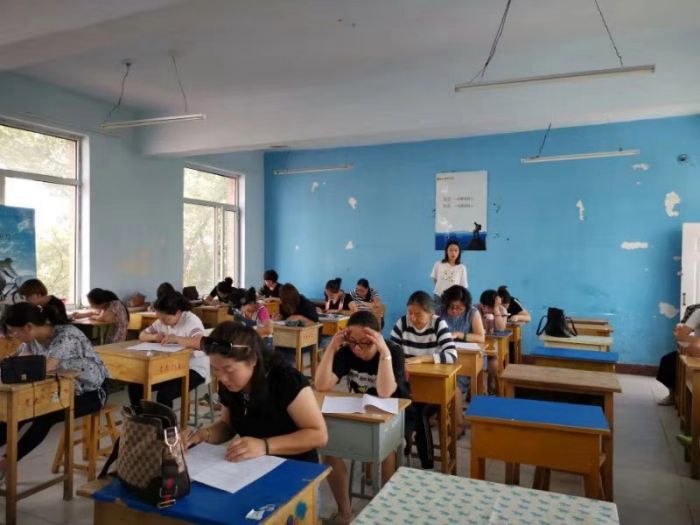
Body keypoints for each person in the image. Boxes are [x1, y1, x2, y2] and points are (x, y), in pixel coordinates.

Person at [316, 310, 409, 524]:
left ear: (376, 337)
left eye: (365, 343)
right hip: (359, 414)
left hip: (393, 417)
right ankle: (345, 513)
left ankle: (385, 513)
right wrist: (332, 347)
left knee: (386, 452)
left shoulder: (393, 351)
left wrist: (383, 351)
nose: (357, 348)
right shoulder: (347, 352)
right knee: (329, 450)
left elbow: (385, 392)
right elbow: (321, 385)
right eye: (353, 342)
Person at [187, 323, 327, 465]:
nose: (222, 378)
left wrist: (265, 446)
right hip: (255, 466)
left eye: (229, 369)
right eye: (215, 369)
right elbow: (227, 425)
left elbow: (319, 435)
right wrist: (203, 435)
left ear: (252, 360)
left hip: (296, 466)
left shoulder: (286, 380)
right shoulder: (230, 384)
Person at [0, 303, 108, 482]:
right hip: (59, 390)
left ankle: (7, 462)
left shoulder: (67, 336)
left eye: (14, 331)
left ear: (28, 327)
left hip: (92, 392)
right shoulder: (31, 340)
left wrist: (15, 368)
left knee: (45, 416)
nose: (13, 336)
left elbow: (46, 367)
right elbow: (15, 363)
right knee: (14, 412)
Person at [390, 291, 456, 469]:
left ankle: (427, 464)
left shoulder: (438, 324)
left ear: (430, 313)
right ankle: (399, 451)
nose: (412, 318)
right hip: (406, 386)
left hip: (431, 389)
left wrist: (421, 359)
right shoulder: (403, 322)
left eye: (418, 314)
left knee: (419, 413)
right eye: (410, 313)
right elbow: (391, 350)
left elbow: (452, 355)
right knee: (400, 410)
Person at [129, 292, 208, 409]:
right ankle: (141, 417)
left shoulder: (191, 321)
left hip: (193, 368)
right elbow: (142, 335)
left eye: (166, 318)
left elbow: (200, 342)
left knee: (165, 395)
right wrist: (154, 336)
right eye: (160, 318)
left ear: (178, 313)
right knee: (136, 385)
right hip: (170, 367)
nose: (163, 322)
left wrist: (176, 339)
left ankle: (167, 421)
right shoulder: (162, 320)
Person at [439, 285, 485, 430]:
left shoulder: (472, 313)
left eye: (459, 308)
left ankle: (458, 422)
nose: (454, 311)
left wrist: (459, 335)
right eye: (451, 307)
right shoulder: (439, 312)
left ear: (466, 305)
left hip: (463, 361)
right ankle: (440, 416)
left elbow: (480, 337)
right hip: (442, 358)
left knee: (454, 385)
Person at [657, 304, 700, 405]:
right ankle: (673, 396)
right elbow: (680, 335)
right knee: (668, 361)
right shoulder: (697, 311)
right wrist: (695, 346)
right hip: (695, 353)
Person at [477, 289, 508, 394]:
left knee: (493, 364)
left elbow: (500, 329)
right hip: (479, 345)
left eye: (488, 307)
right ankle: (481, 387)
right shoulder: (476, 309)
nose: (485, 309)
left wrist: (496, 309)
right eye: (483, 306)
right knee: (480, 362)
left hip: (494, 346)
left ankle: (490, 381)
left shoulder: (502, 310)